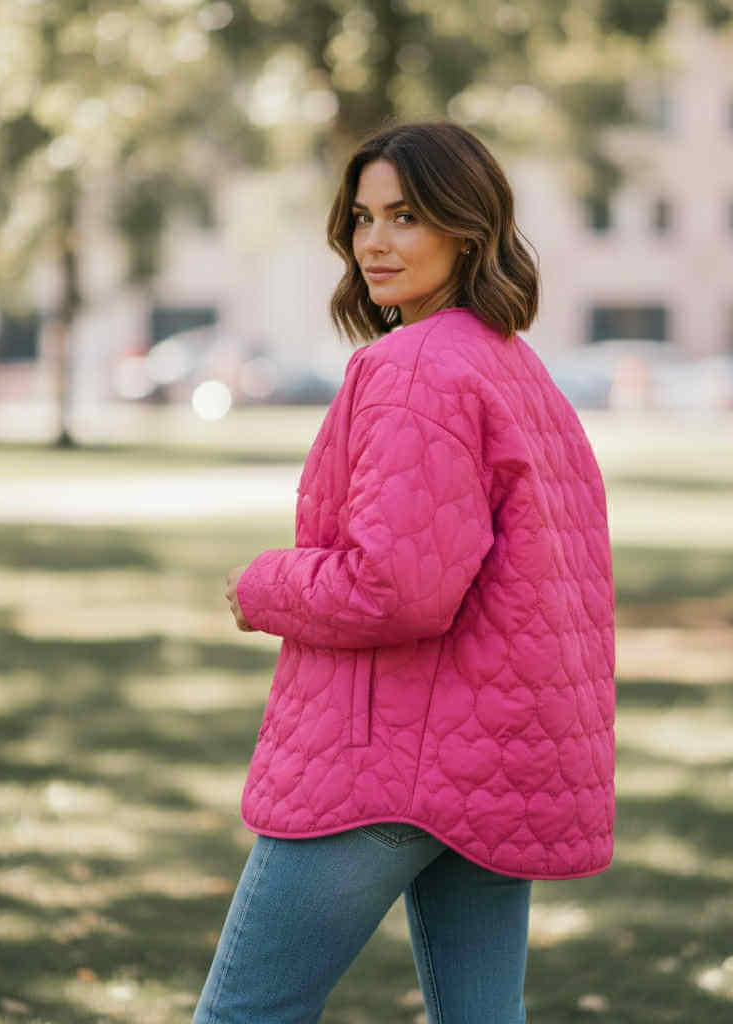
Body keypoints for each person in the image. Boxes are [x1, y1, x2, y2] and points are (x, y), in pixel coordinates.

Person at [194, 121, 615, 1024]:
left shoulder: (413, 368)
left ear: (465, 229)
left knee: (244, 1017)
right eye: (362, 217)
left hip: (385, 765)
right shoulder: (512, 366)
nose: (374, 242)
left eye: (406, 217)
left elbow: (399, 587)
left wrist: (264, 585)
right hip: (497, 756)